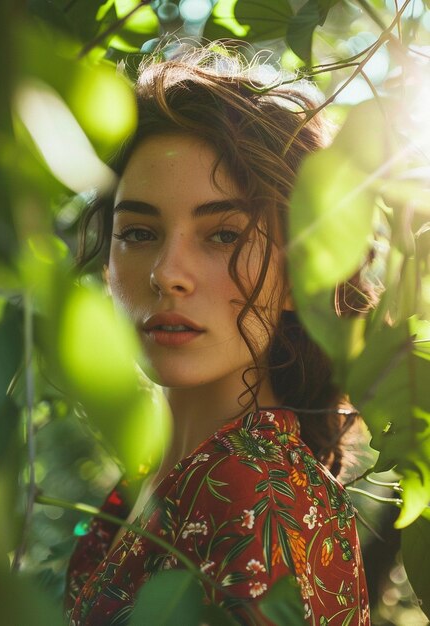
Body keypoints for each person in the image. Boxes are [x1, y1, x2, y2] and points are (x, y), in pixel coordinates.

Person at [65, 46, 371, 625]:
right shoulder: (145, 484)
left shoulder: (259, 495)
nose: (167, 274)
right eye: (137, 232)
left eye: (224, 234)